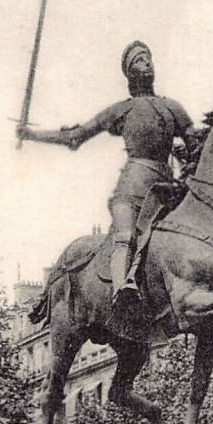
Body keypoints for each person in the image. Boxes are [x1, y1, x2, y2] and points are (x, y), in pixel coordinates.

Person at [17, 41, 196, 317]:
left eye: (148, 58)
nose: (147, 63)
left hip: (168, 191)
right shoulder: (120, 110)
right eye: (139, 60)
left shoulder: (173, 107)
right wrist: (33, 135)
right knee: (125, 235)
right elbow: (75, 136)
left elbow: (195, 146)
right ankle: (122, 291)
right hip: (133, 188)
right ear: (129, 73)